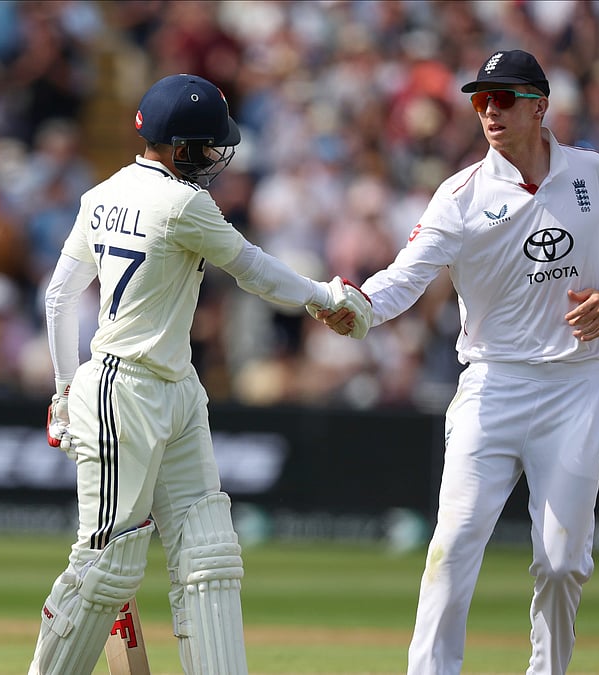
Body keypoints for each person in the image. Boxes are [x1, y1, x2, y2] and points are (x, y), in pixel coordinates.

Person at [316, 50, 599, 674]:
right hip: (492, 385)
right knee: (453, 545)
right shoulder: (461, 194)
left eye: (505, 98)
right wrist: (357, 309)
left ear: (540, 105)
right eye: (480, 100)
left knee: (562, 561)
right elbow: (403, 278)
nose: (490, 111)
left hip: (576, 386)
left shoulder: (591, 173)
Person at [30, 73, 369, 675]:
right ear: (181, 146)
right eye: (209, 145)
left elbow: (59, 298)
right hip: (124, 387)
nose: (216, 156)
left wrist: (62, 388)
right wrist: (325, 295)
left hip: (172, 388)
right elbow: (254, 269)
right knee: (106, 565)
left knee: (209, 554)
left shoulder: (101, 194)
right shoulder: (184, 203)